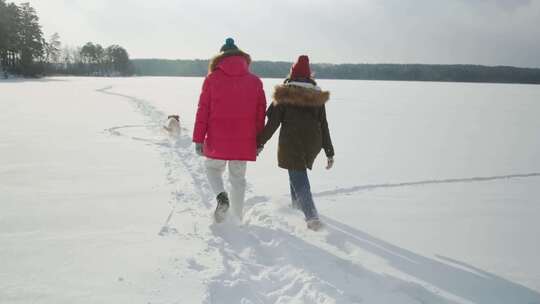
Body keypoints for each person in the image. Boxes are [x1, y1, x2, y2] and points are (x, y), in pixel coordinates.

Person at [193, 38, 267, 223]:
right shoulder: (255, 81)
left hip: (218, 139)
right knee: (238, 179)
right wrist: (259, 141)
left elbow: (203, 109)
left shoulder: (212, 79)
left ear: (220, 58)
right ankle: (236, 218)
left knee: (212, 169)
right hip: (244, 140)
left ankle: (221, 197)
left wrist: (199, 138)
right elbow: (260, 114)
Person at [257, 55, 335, 231]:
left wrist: (259, 143)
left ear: (292, 74)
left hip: (292, 142)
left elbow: (272, 124)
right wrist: (329, 151)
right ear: (309, 76)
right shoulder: (316, 96)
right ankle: (296, 206)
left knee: (298, 176)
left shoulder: (284, 94)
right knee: (296, 171)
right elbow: (324, 125)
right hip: (313, 142)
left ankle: (311, 215)